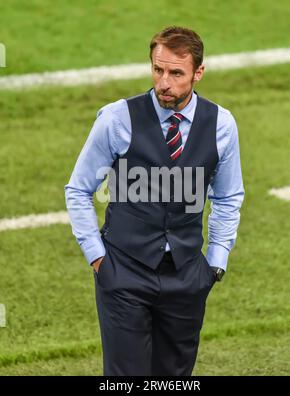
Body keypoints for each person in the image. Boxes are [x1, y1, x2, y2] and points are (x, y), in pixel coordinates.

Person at [64, 26, 245, 376]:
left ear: (198, 73)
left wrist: (215, 263)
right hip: (123, 272)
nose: (164, 82)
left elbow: (227, 196)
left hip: (188, 276)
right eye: (158, 70)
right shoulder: (116, 119)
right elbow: (78, 189)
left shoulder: (222, 124)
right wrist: (98, 259)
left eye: (176, 73)